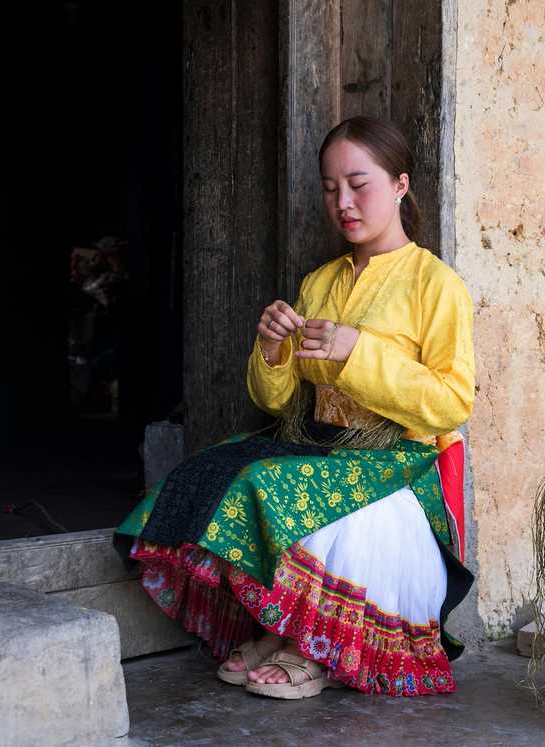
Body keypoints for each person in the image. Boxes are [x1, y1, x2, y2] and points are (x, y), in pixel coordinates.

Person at [114, 115, 475, 699]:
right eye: (331, 188)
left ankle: (311, 645)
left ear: (401, 186)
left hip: (394, 459)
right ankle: (282, 626)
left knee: (263, 479)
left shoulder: (435, 284)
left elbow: (451, 402)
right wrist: (273, 349)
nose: (344, 202)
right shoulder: (319, 282)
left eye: (360, 185)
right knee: (208, 469)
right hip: (318, 440)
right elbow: (276, 399)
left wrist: (358, 352)